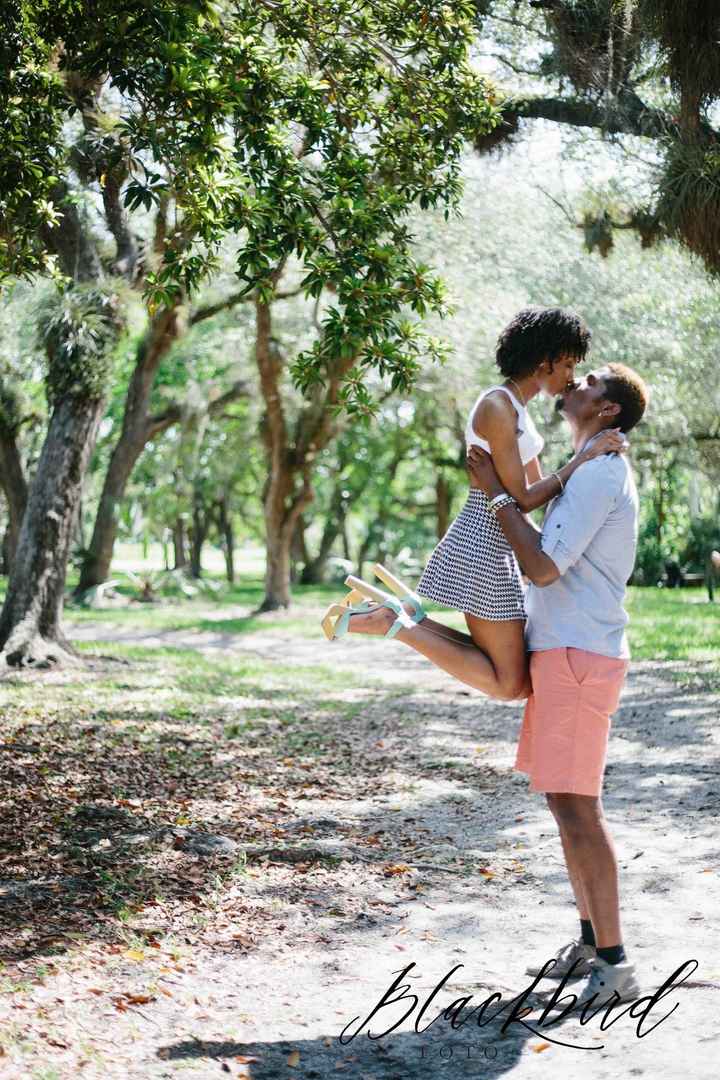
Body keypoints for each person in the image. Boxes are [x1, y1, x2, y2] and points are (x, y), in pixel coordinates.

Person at [321, 307, 624, 702]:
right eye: (566, 363)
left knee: (510, 677)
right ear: (543, 360)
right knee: (510, 683)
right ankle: (391, 624)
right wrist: (583, 459)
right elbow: (525, 498)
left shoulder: (519, 410)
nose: (570, 376)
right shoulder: (497, 407)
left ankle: (396, 618)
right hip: (482, 542)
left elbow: (530, 492)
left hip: (500, 543)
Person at [466, 360, 650, 1008]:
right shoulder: (586, 469)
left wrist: (493, 494)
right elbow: (539, 518)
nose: (577, 381)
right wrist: (504, 490)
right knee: (561, 803)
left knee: (580, 807)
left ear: (607, 411)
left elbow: (542, 566)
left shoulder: (603, 475)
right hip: (563, 653)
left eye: (591, 379)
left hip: (580, 656)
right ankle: (590, 940)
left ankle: (617, 965)